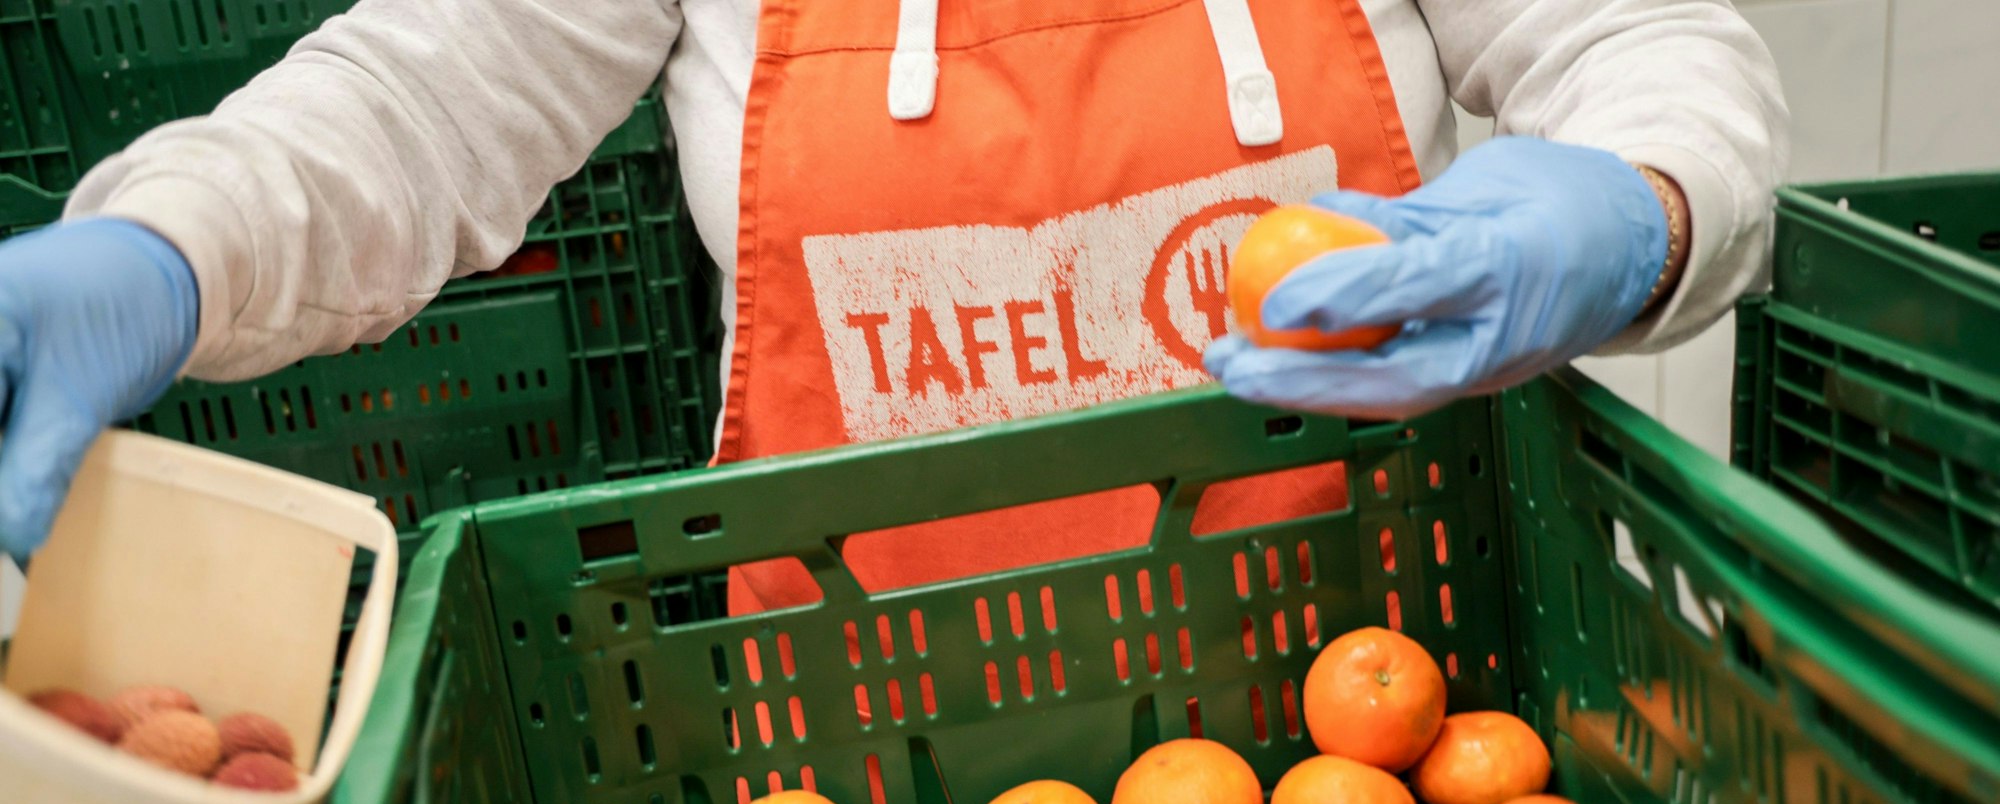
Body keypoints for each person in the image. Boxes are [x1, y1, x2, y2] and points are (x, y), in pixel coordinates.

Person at [0, 0, 1786, 601]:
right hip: (860, 797)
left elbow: (1640, 40)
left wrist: (1641, 198)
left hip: (1369, 726)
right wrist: (173, 244)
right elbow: (421, 96)